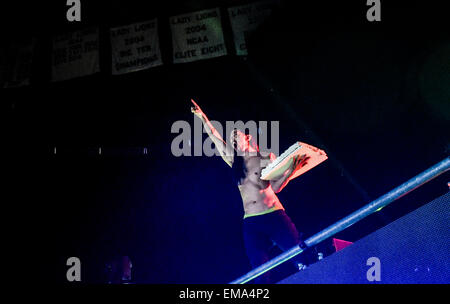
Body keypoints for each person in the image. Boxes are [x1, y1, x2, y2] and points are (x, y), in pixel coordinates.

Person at [190, 99, 315, 283]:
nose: (233, 139)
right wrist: (202, 117)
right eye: (231, 138)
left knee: (298, 254)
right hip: (251, 222)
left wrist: (290, 171)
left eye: (236, 135)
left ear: (246, 137)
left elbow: (277, 187)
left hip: (274, 215)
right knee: (260, 271)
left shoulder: (265, 157)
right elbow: (213, 135)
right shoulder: (234, 160)